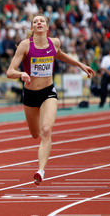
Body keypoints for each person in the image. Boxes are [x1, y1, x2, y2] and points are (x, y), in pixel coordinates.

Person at [6, 14, 94, 185]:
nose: (39, 23)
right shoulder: (25, 45)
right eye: (35, 21)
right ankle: (41, 155)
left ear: (47, 27)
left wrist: (80, 65)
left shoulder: (54, 42)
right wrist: (21, 73)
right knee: (35, 134)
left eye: (42, 21)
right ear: (32, 28)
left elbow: (60, 55)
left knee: (46, 130)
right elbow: (10, 71)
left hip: (48, 92)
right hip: (30, 95)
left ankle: (41, 171)